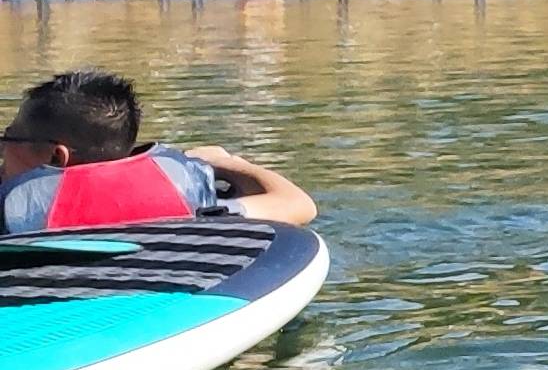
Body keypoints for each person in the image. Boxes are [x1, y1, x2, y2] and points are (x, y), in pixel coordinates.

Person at [0, 70, 316, 233]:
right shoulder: (183, 201)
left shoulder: (12, 210)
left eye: (9, 138)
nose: (3, 147)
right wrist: (223, 163)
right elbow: (297, 204)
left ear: (58, 157)